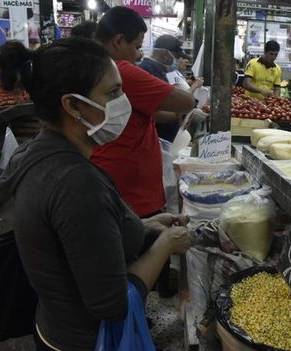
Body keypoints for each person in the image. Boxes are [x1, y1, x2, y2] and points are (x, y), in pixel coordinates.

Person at [0, 36, 192, 351]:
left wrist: (148, 226)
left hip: (55, 332)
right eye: (114, 93)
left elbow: (78, 239)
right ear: (72, 105)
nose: (124, 104)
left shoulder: (40, 152)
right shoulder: (76, 183)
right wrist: (166, 245)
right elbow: (112, 303)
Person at [94, 8, 194, 327]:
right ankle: (132, 332)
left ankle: (136, 325)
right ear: (119, 41)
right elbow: (184, 101)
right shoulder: (119, 69)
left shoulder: (99, 67)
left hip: (119, 181)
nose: (140, 55)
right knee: (134, 267)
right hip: (128, 189)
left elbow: (150, 112)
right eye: (138, 45)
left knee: (123, 265)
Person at [138, 34, 196, 142]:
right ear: (165, 55)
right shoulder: (147, 72)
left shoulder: (159, 72)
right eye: (176, 57)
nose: (178, 61)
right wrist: (180, 115)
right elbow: (152, 113)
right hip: (155, 139)